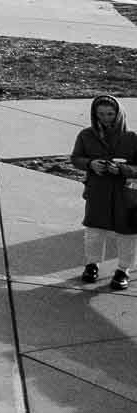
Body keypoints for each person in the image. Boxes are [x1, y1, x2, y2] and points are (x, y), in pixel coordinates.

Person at [70, 95, 137, 288]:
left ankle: (123, 270)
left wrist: (123, 170)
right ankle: (92, 264)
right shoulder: (86, 135)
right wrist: (90, 164)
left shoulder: (132, 138)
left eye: (110, 114)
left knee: (127, 233)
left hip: (126, 195)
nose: (106, 118)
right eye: (101, 114)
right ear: (94, 114)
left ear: (119, 113)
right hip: (98, 191)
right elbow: (76, 158)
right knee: (94, 231)